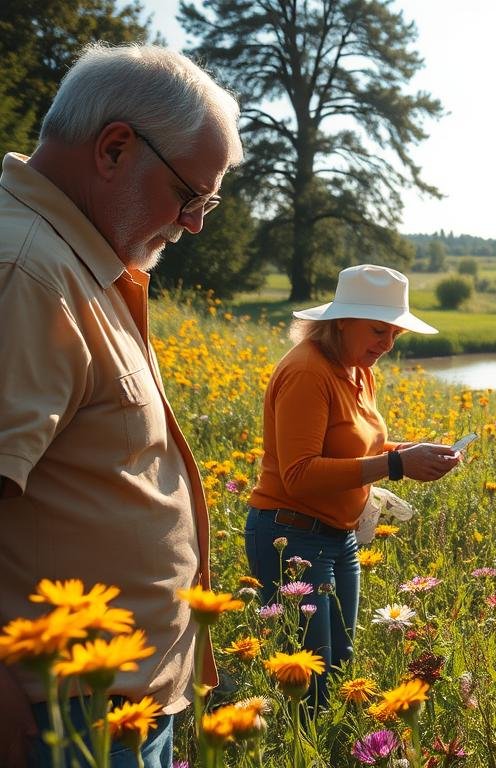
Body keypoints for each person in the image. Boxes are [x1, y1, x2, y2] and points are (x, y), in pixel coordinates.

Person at [0, 43, 243, 767]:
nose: (195, 223)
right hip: (57, 718)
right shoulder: (26, 272)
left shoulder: (73, 260)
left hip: (111, 705)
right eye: (191, 196)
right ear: (113, 149)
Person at [245, 263, 462, 705]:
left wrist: (411, 450)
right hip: (292, 537)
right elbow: (299, 474)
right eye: (379, 331)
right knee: (309, 684)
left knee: (341, 665)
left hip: (338, 538)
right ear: (341, 321)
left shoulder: (358, 369)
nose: (387, 345)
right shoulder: (308, 372)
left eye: (396, 335)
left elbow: (357, 446)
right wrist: (398, 465)